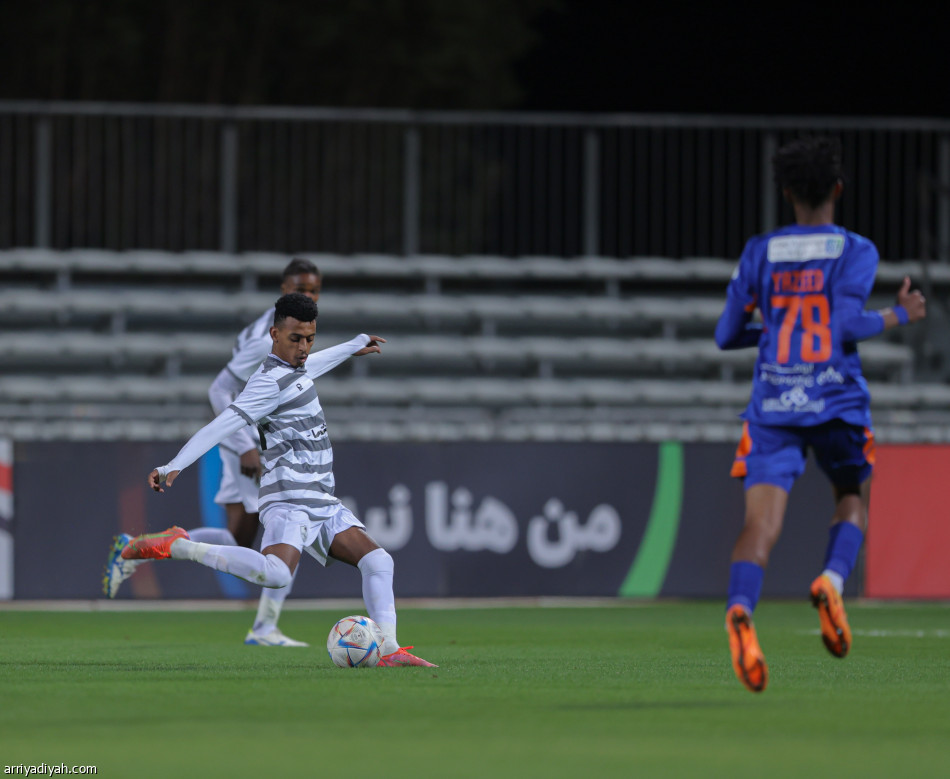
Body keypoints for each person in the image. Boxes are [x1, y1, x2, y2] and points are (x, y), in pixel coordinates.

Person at [119, 292, 436, 667]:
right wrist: (174, 464)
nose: (303, 348)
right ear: (274, 334)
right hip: (288, 497)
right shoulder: (267, 383)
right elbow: (223, 424)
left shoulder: (297, 368)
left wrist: (353, 345)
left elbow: (314, 364)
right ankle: (180, 546)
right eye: (295, 339)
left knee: (379, 561)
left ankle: (389, 650)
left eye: (309, 339)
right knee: (277, 575)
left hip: (321, 498)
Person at [715, 136, 926, 693]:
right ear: (837, 188)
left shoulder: (760, 251)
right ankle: (831, 581)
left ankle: (741, 608)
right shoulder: (855, 249)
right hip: (835, 399)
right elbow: (845, 326)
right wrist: (899, 315)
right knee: (852, 497)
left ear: (786, 192)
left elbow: (726, 334)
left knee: (760, 525)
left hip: (773, 405)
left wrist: (774, 331)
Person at [102, 259, 322, 647]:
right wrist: (245, 446)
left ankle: (140, 548)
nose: (309, 296)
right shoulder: (267, 336)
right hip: (253, 446)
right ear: (284, 288)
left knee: (241, 541)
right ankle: (264, 627)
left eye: (314, 290)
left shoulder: (291, 329)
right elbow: (219, 390)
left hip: (258, 442)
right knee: (293, 523)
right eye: (301, 288)